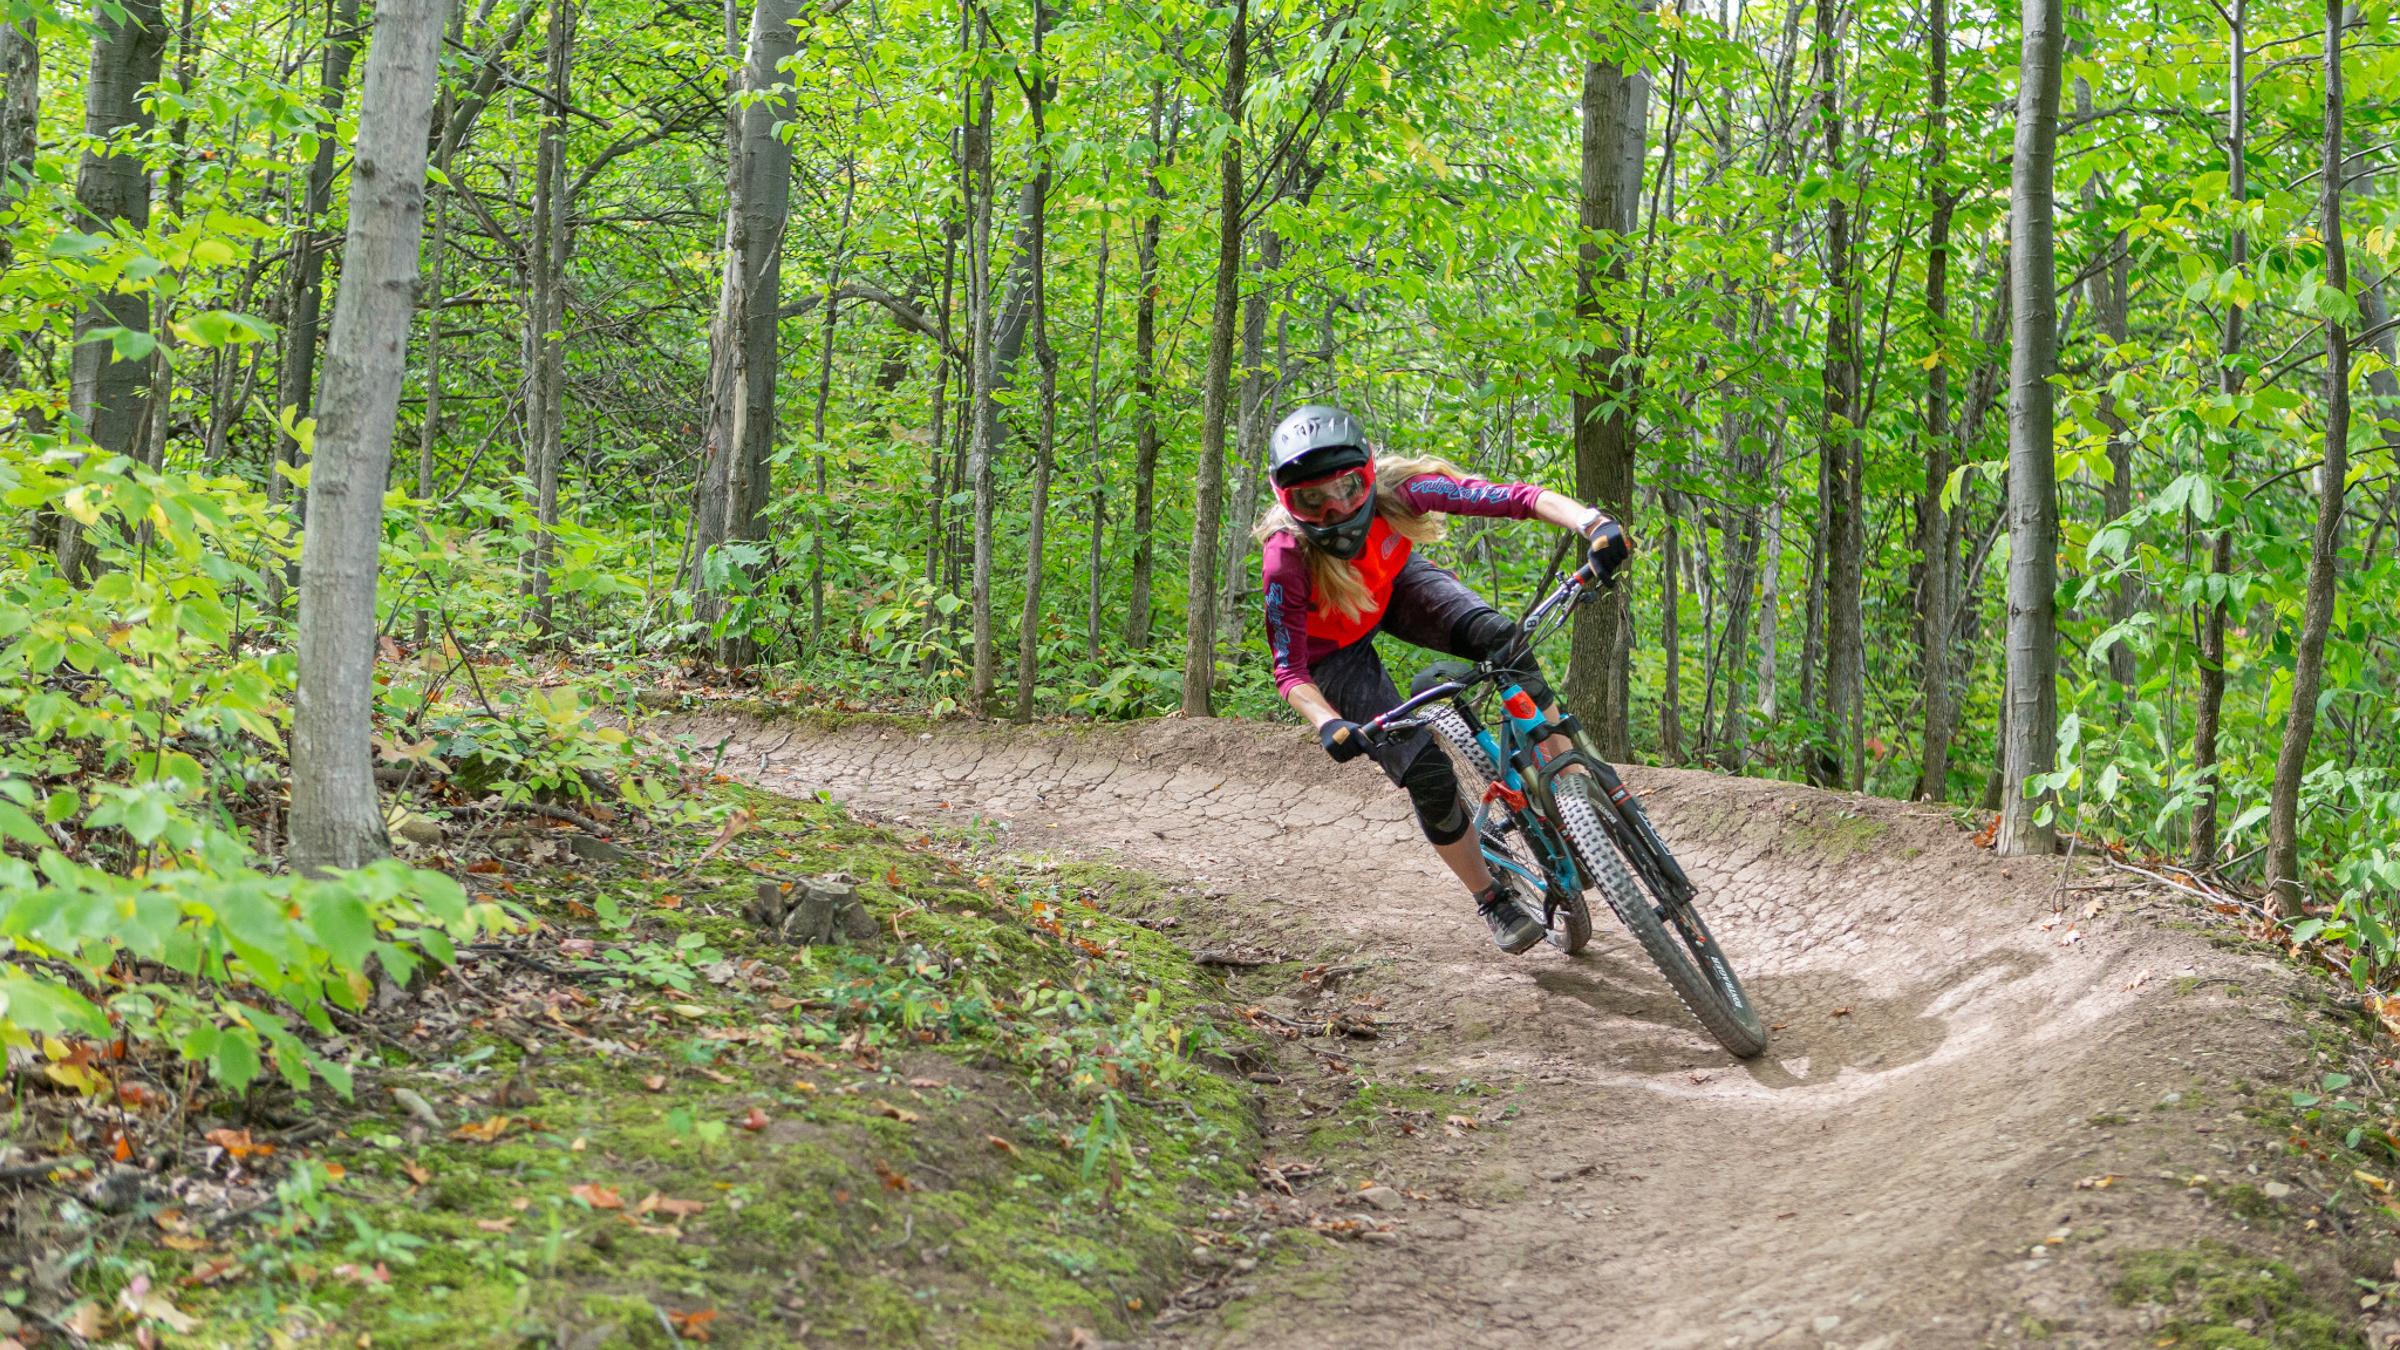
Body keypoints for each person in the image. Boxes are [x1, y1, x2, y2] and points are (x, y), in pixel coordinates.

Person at [1255, 403, 1631, 954]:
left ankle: (1564, 779)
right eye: (1313, 498)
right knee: (1426, 774)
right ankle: (1492, 900)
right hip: (1333, 650)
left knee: (1503, 640)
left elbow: (1518, 499)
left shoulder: (1400, 491)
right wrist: (1328, 723)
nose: (1335, 508)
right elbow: (1289, 668)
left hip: (1394, 586)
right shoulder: (1286, 555)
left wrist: (1591, 523)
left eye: (1347, 489)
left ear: (1368, 470)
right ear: (1289, 501)